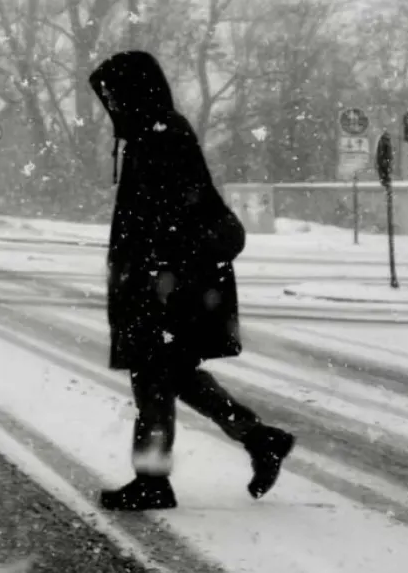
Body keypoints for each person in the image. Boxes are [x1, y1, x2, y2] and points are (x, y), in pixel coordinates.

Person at [89, 50, 295, 511]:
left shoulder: (161, 135)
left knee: (154, 382)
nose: (110, 103)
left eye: (114, 93)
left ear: (134, 92)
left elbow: (171, 220)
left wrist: (151, 281)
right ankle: (260, 439)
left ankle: (153, 480)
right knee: (174, 376)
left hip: (164, 286)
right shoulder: (151, 134)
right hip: (160, 283)